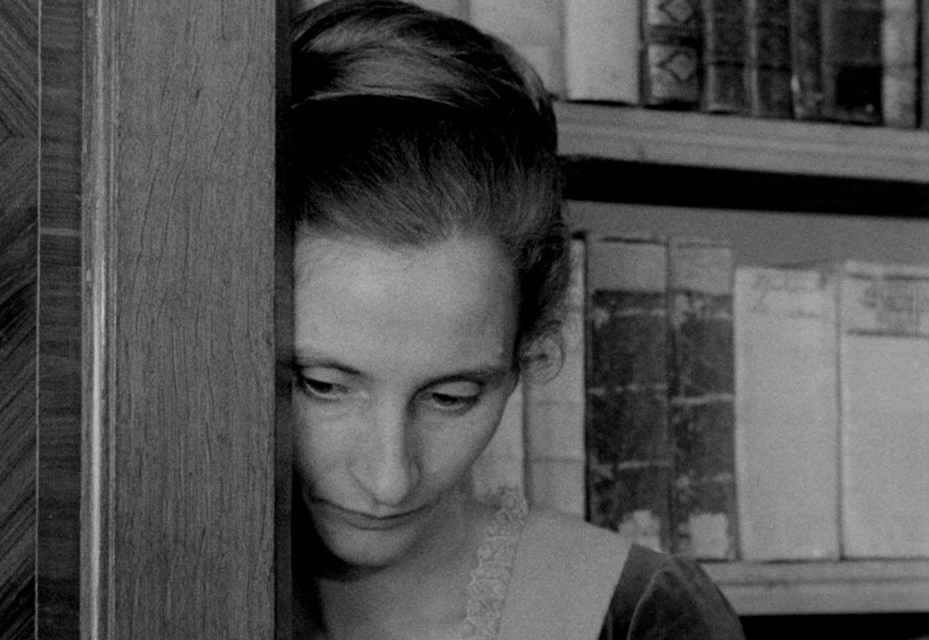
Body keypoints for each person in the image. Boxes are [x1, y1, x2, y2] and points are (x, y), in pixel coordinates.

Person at [285, 1, 747, 638]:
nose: (389, 480)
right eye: (322, 386)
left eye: (452, 397)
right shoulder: (150, 585)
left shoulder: (640, 614)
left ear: (525, 353)